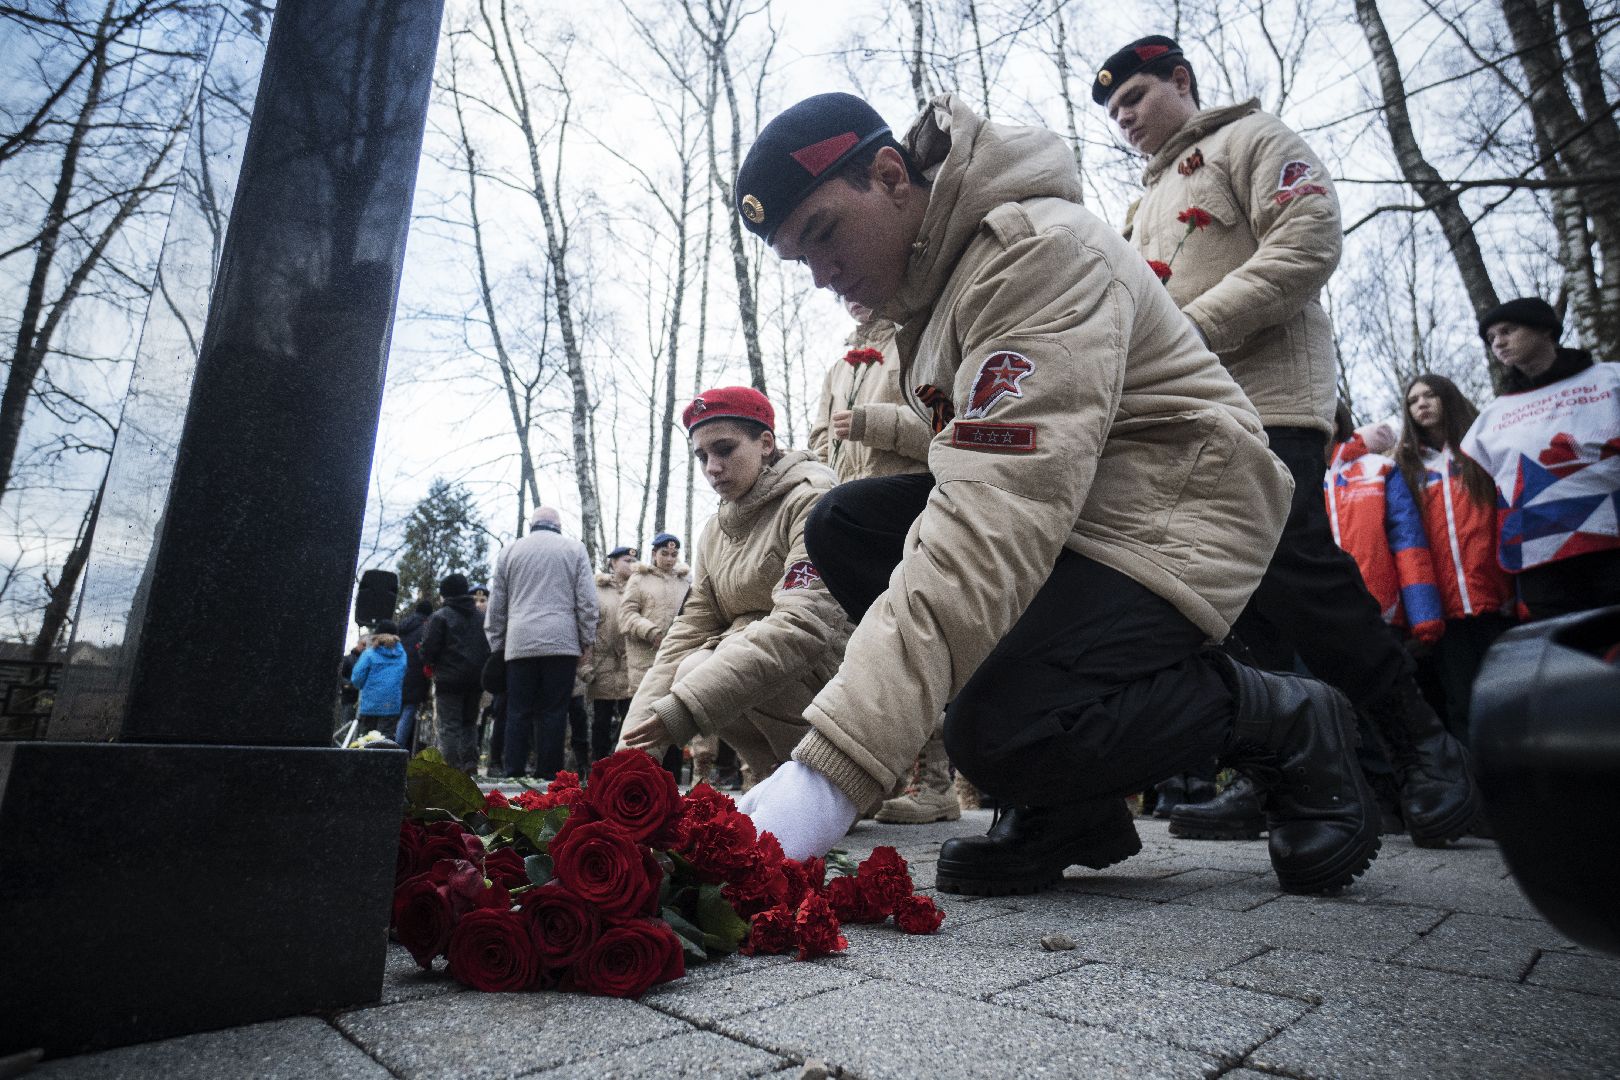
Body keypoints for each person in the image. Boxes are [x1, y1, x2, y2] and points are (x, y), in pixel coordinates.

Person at [726, 91, 1378, 899]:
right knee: (849, 526)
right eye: (800, 260)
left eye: (823, 233)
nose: (822, 275)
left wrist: (831, 772)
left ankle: (1274, 715)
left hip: (1176, 511)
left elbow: (992, 517)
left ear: (891, 175)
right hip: (1084, 507)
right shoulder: (931, 288)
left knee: (992, 733)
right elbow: (975, 474)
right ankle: (1070, 800)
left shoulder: (1032, 252)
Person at [1098, 35, 1478, 848]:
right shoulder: (1142, 206)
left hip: (1269, 401)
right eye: (1115, 111)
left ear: (1179, 80)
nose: (1124, 119)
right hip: (1186, 417)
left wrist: (1189, 333)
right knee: (1227, 600)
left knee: (1297, 571)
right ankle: (1285, 773)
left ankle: (1426, 746)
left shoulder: (1252, 140)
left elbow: (1307, 242)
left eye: (1133, 97)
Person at [618, 387, 852, 788]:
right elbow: (686, 633)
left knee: (705, 668)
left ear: (765, 443)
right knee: (690, 663)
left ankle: (831, 778)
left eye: (724, 449)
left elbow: (804, 625)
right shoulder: (714, 531)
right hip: (773, 679)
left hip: (835, 685)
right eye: (702, 456)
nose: (712, 467)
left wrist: (687, 708)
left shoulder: (813, 502)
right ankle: (773, 774)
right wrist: (629, 762)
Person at [809, 301, 960, 825]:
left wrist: (874, 423)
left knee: (914, 634)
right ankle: (886, 770)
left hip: (910, 506)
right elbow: (821, 437)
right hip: (851, 518)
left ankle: (937, 782)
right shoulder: (841, 364)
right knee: (870, 642)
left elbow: (950, 426)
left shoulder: (917, 342)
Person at [1463, 297, 1620, 619]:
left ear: (1545, 330)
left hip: (1611, 548)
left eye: (1507, 331)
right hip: (1541, 563)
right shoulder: (1491, 416)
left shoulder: (1611, 380)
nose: (1499, 343)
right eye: (1491, 338)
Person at [1393, 374, 1516, 741]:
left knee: (1511, 698)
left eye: (1430, 395)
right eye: (1413, 401)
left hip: (1497, 600)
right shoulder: (1407, 469)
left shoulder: (1481, 451)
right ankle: (1480, 790)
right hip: (1446, 612)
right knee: (1463, 705)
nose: (1422, 405)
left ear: (1448, 398)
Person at [486, 506, 597, 779]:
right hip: (561, 642)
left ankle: (514, 771)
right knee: (554, 710)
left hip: (519, 642)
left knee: (518, 709)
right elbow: (586, 600)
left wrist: (498, 644)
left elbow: (496, 604)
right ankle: (549, 775)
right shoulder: (574, 550)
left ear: (532, 524)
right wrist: (587, 639)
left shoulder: (510, 551)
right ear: (557, 525)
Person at [419, 573, 490, 775]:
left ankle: (450, 769)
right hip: (476, 679)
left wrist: (426, 658)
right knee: (469, 724)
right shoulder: (481, 618)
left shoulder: (441, 616)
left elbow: (429, 649)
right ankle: (470, 764)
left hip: (449, 679)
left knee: (449, 725)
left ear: (446, 594)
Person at [587, 546, 637, 767]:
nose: (631, 564)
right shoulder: (597, 589)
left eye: (634, 560)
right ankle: (599, 764)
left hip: (631, 662)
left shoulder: (638, 586)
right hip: (603, 663)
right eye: (626, 560)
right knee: (601, 719)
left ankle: (625, 762)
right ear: (613, 563)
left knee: (630, 716)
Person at [349, 620, 406, 734]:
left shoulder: (369, 654)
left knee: (366, 742)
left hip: (370, 705)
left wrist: (360, 686)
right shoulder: (402, 654)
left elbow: (357, 678)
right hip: (392, 705)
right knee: (385, 743)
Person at [394, 599, 434, 750]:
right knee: (409, 710)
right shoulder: (426, 628)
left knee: (396, 711)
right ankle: (399, 746)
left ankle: (389, 744)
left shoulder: (403, 627)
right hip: (417, 675)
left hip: (398, 673)